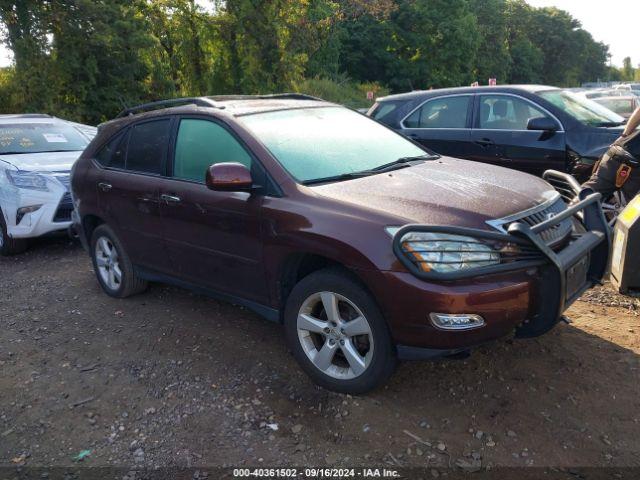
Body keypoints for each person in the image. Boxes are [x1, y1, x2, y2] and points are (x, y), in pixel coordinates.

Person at [583, 105, 640, 201]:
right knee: (634, 210)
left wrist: (624, 135)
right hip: (633, 161)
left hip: (617, 151)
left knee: (587, 196)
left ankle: (563, 213)